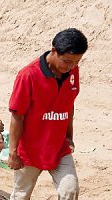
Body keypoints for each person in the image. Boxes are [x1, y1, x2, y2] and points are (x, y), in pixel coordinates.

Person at [8, 28, 87, 200]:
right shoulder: (28, 75)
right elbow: (17, 116)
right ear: (54, 51)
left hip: (58, 147)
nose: (71, 66)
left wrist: (69, 136)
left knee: (70, 190)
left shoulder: (73, 71)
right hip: (29, 151)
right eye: (67, 61)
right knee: (21, 195)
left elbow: (69, 105)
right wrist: (13, 152)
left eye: (76, 62)